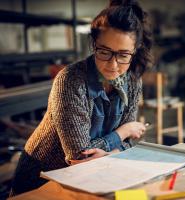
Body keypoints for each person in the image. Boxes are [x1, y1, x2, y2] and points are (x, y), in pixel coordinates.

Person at [10, 0, 153, 196]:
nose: (113, 64)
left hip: (91, 176)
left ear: (134, 52)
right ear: (94, 44)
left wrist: (111, 154)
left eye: (123, 55)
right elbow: (79, 156)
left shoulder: (133, 81)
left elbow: (129, 144)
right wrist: (123, 130)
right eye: (104, 51)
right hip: (41, 182)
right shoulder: (70, 80)